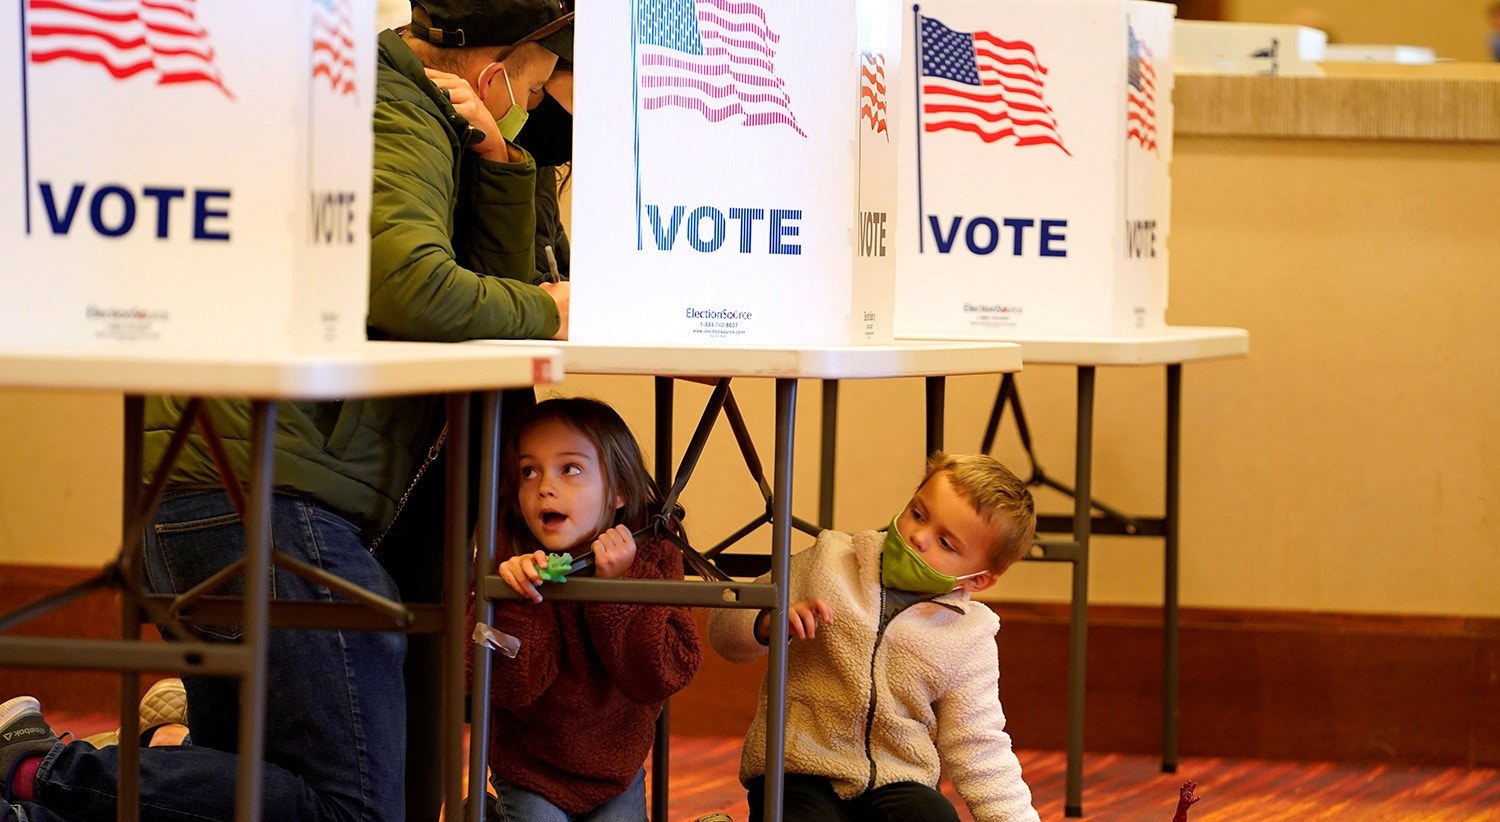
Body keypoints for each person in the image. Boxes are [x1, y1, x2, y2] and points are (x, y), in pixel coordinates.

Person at [1, 2, 574, 820]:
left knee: (264, 788)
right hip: (267, 494)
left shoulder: (407, 109)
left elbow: (473, 294)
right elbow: (414, 290)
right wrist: (549, 309)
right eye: (532, 81)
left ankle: (35, 800)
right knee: (363, 810)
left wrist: (500, 160)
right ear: (493, 68)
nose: (535, 98)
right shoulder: (388, 108)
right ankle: (44, 769)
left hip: (240, 489)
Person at [707, 453, 1041, 822]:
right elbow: (724, 631)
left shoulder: (969, 636)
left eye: (945, 543)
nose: (917, 536)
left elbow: (978, 743)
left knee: (934, 817)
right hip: (799, 769)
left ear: (979, 579)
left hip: (898, 779)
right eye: (918, 513)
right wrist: (767, 622)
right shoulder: (828, 560)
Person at [468, 397, 702, 821]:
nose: (545, 486)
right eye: (528, 471)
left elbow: (661, 675)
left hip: (617, 765)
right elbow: (498, 687)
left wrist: (619, 587)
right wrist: (515, 595)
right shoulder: (508, 550)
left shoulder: (652, 554)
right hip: (529, 766)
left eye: (569, 469)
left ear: (619, 491)